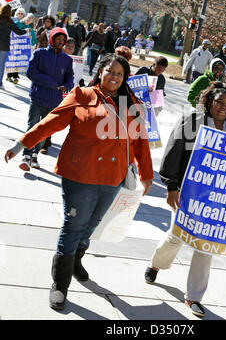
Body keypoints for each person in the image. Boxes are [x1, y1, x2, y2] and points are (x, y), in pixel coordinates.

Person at [5, 53, 153, 311]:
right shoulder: (82, 96)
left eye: (120, 74)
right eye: (110, 71)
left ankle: (75, 260)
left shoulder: (133, 105)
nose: (114, 77)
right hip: (80, 175)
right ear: (100, 72)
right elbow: (51, 122)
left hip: (112, 177)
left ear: (125, 77)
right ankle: (60, 285)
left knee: (91, 226)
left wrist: (147, 175)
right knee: (73, 226)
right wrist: (22, 144)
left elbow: (140, 143)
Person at [144, 82, 226, 317]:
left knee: (206, 246)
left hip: (215, 198)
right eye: (219, 102)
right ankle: (156, 264)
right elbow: (174, 151)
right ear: (209, 100)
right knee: (176, 236)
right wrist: (171, 186)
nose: (223, 107)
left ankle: (194, 297)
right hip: (187, 191)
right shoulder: (192, 121)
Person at [18, 27, 74, 171]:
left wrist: (67, 85)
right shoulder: (39, 53)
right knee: (32, 126)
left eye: (63, 40)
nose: (61, 42)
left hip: (55, 101)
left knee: (45, 130)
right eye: (58, 39)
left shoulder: (67, 60)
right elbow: (31, 72)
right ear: (52, 39)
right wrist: (51, 83)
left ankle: (35, 154)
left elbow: (70, 77)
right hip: (38, 97)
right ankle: (26, 155)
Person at [40, 38, 77, 156]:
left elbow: (71, 77)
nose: (70, 48)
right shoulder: (52, 57)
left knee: (51, 119)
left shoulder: (71, 60)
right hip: (44, 93)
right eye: (68, 46)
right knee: (41, 118)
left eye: (72, 47)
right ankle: (41, 141)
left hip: (60, 95)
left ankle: (46, 141)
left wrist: (69, 85)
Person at [0, 4, 27, 89]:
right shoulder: (10, 21)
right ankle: (0, 84)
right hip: (4, 46)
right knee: (1, 65)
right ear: (9, 12)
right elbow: (18, 32)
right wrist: (26, 31)